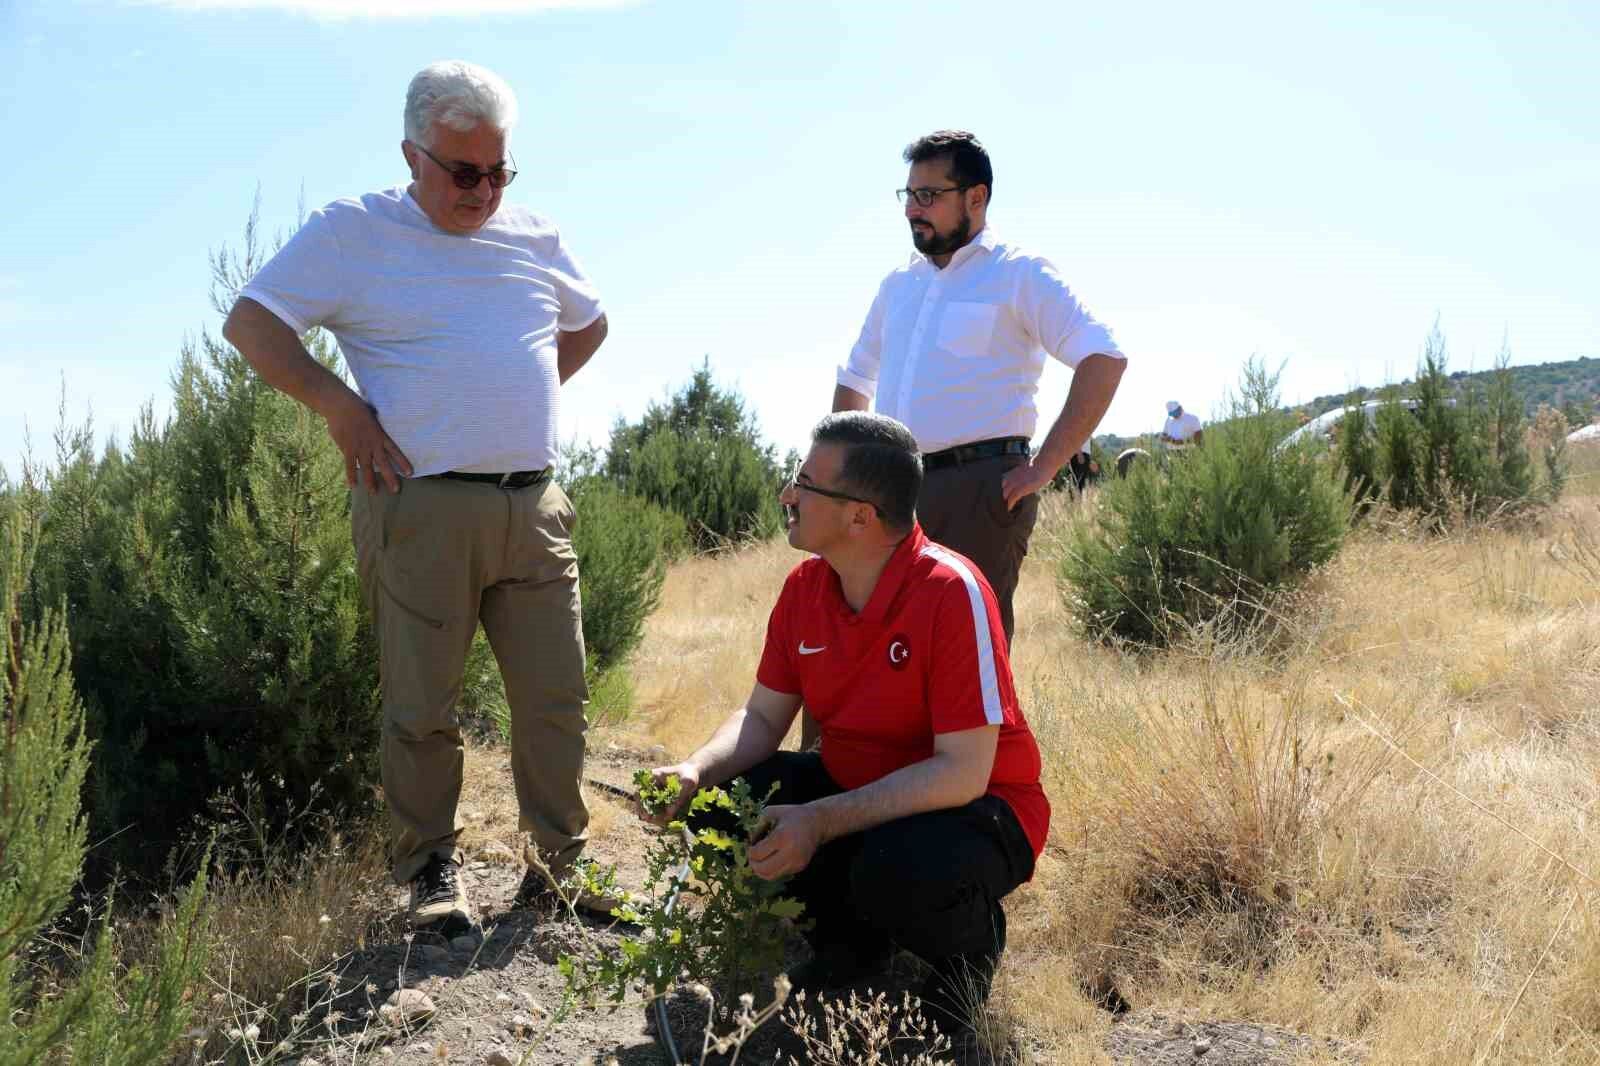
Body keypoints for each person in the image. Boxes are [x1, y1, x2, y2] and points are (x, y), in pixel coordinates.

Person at [222, 60, 616, 937]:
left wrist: (520, 395)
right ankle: (430, 871)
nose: (483, 191)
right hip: (420, 505)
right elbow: (251, 324)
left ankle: (559, 869)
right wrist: (341, 409)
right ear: (412, 154)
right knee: (423, 704)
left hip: (537, 505)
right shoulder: (355, 232)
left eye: (498, 171)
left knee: (556, 698)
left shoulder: (534, 234)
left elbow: (589, 322)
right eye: (462, 171)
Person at [643, 412, 1049, 1036]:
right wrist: (694, 770)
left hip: (981, 811)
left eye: (804, 483)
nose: (787, 496)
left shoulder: (951, 590)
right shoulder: (805, 588)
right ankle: (852, 943)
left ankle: (969, 949)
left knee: (891, 870)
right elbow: (760, 717)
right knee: (723, 804)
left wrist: (822, 820)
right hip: (861, 793)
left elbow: (963, 773)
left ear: (860, 515)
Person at [831, 130, 1126, 648]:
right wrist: (842, 478)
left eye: (928, 195)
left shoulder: (1018, 273)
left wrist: (1046, 466)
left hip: (979, 492)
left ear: (976, 197)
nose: (912, 210)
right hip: (890, 491)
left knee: (967, 654)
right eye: (908, 195)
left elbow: (1103, 358)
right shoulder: (899, 285)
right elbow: (855, 380)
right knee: (876, 647)